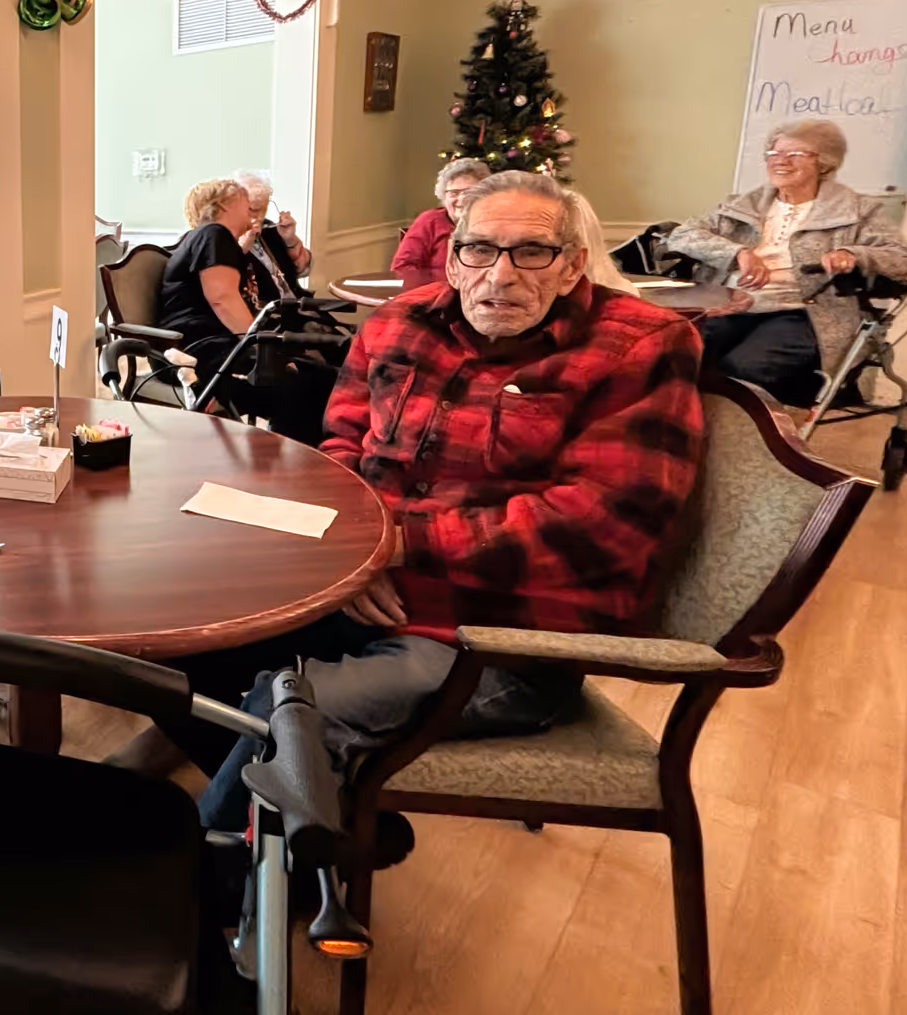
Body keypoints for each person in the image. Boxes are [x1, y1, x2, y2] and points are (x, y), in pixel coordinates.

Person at [160, 172, 706, 837]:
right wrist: (354, 557)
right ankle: (327, 830)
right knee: (178, 636)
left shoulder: (638, 345)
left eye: (531, 252)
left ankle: (204, 889)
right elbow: (339, 452)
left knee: (295, 709)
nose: (501, 276)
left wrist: (395, 546)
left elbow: (605, 519)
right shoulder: (396, 325)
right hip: (368, 589)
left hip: (500, 638)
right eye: (479, 250)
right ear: (451, 257)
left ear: (571, 266)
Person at [669, 119, 907, 405]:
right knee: (673, 354)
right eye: (774, 154)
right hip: (728, 305)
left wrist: (853, 254)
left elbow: (904, 257)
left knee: (743, 369)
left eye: (796, 154)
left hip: (804, 312)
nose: (782, 162)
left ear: (823, 162)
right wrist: (738, 253)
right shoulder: (744, 205)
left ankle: (745, 441)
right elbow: (682, 236)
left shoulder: (856, 210)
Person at [157, 178, 336, 444]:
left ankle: (292, 462)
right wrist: (263, 348)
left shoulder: (221, 242)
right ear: (225, 205)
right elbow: (222, 299)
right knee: (304, 383)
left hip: (218, 346)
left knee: (321, 375)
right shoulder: (212, 234)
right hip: (199, 354)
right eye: (246, 205)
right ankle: (294, 467)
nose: (252, 213)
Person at [391, 158, 491, 290]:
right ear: (443, 197)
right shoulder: (430, 221)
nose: (461, 199)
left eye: (468, 192)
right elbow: (402, 268)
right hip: (435, 299)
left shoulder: (494, 223)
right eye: (453, 193)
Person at [233, 170, 313, 298]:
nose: (259, 217)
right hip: (264, 314)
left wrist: (290, 240)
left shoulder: (268, 229)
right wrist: (241, 250)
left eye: (263, 209)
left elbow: (303, 271)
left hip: (295, 307)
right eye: (253, 210)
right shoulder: (225, 238)